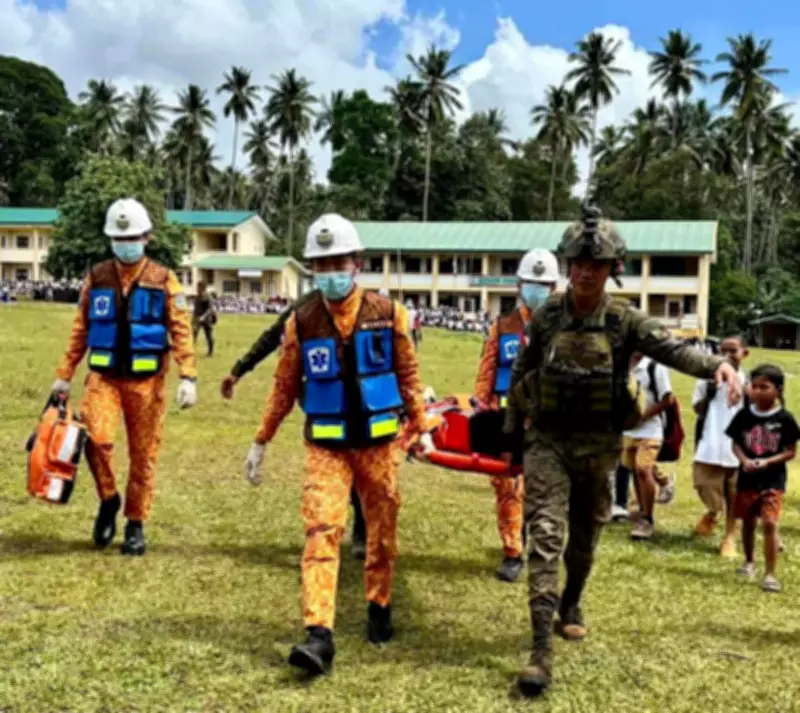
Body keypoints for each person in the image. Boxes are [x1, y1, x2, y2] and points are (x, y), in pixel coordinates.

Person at [502, 204, 742, 698]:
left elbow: (674, 348)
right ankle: (540, 651)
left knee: (585, 541)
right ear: (568, 265)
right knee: (545, 534)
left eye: (597, 265)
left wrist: (717, 364)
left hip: (600, 446)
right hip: (548, 441)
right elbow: (522, 373)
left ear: (614, 269)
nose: (585, 274)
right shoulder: (548, 316)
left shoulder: (623, 321)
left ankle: (572, 601)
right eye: (578, 264)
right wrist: (510, 436)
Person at [243, 213, 431, 676]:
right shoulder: (301, 322)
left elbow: (408, 376)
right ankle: (318, 635)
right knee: (322, 529)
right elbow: (284, 387)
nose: (329, 272)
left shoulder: (389, 315)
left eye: (337, 262)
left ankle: (379, 603)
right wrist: (261, 440)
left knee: (382, 533)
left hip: (379, 445)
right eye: (319, 264)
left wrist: (422, 428)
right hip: (326, 447)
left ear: (357, 263)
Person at [50, 198, 197, 555]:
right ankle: (108, 499)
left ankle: (135, 523)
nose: (125, 243)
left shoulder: (165, 280)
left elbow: (180, 328)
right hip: (104, 378)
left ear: (147, 237)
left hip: (147, 384)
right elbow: (80, 329)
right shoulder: (96, 277)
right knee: (96, 441)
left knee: (144, 456)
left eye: (132, 236)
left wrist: (188, 375)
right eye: (119, 237)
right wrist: (64, 374)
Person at [219, 288, 369, 560]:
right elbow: (271, 337)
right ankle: (328, 527)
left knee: (357, 461)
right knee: (328, 461)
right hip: (319, 397)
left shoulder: (366, 305)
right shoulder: (305, 307)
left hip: (357, 397)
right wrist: (239, 370)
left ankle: (362, 524)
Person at [473, 248, 559, 582]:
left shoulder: (563, 328)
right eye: (531, 283)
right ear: (519, 285)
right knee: (508, 487)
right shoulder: (502, 326)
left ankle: (542, 547)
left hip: (546, 422)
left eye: (544, 284)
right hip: (506, 418)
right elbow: (487, 369)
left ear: (554, 288)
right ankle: (512, 551)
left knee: (543, 489)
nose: (537, 290)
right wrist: (482, 406)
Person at [725, 364, 798, 593]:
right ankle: (749, 561)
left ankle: (770, 574)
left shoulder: (785, 418)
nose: (758, 391)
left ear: (778, 389)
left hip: (773, 480)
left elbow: (790, 451)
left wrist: (768, 461)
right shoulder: (744, 415)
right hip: (747, 478)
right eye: (754, 386)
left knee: (770, 522)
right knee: (748, 520)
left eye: (764, 387)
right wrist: (745, 460)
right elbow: (735, 443)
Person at [692, 335, 749, 557]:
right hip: (710, 441)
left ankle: (730, 538)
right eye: (722, 350)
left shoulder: (751, 380)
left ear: (745, 353)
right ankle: (713, 512)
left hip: (738, 447)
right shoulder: (707, 378)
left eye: (732, 350)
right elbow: (697, 409)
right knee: (703, 484)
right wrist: (710, 391)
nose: (726, 355)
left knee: (735, 495)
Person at [621, 352, 677, 541]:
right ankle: (642, 509)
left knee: (643, 469)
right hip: (627, 431)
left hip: (650, 430)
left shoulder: (655, 366)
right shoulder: (620, 362)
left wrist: (642, 416)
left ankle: (647, 519)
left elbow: (668, 399)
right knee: (635, 471)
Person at [192, 281, 216, 356]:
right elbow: (195, 309)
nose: (197, 289)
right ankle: (190, 350)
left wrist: (203, 317)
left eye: (198, 287)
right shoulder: (197, 297)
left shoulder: (208, 297)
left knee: (209, 336)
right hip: (197, 318)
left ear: (203, 288)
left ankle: (210, 352)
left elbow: (210, 309)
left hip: (207, 319)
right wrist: (193, 319)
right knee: (193, 334)